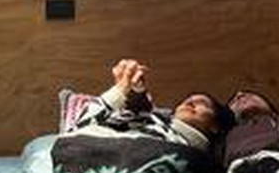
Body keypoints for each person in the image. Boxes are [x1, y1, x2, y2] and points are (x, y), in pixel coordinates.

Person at [73, 59, 237, 153]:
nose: (191, 102)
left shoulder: (197, 159)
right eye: (187, 100)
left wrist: (122, 88)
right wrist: (126, 90)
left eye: (202, 103)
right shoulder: (151, 120)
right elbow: (79, 131)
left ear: (215, 126)